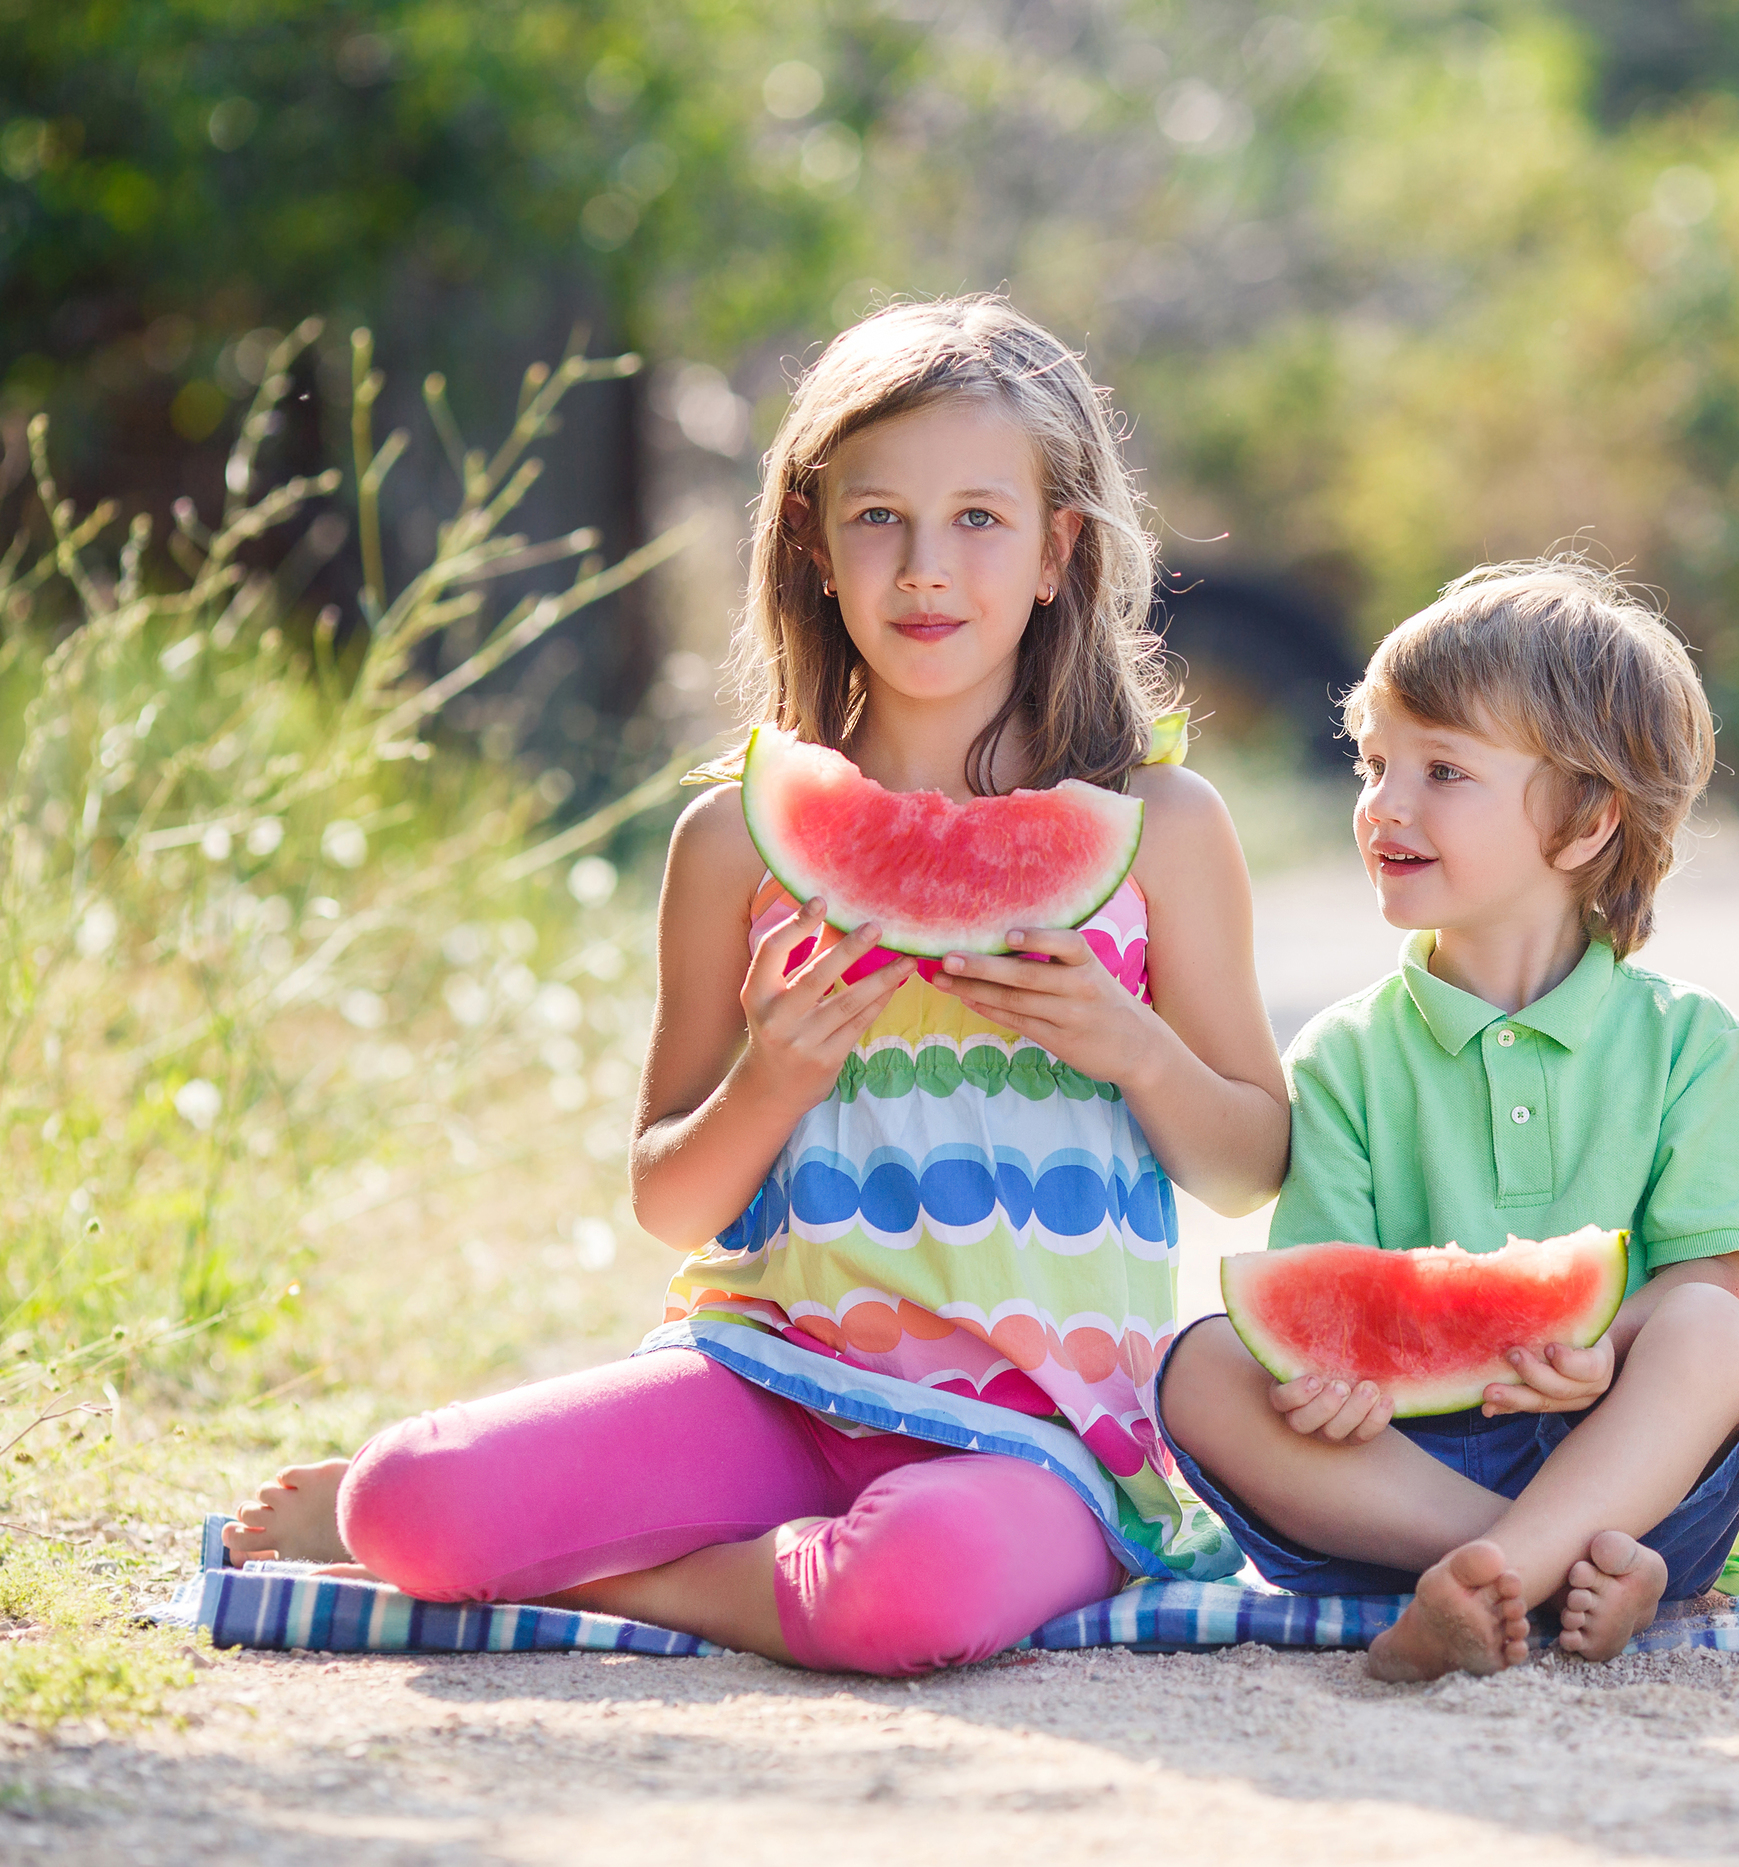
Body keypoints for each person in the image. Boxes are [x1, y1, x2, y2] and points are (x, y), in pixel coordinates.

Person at [221, 297, 1288, 1674]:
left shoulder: (1161, 826)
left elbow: (1252, 1158)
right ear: (810, 540)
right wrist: (771, 1076)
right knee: (402, 1501)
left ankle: (634, 1584)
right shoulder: (732, 837)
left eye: (978, 517)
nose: (923, 567)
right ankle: (706, 1553)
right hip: (761, 1378)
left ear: (1056, 551)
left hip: (1044, 1429)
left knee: (910, 1590)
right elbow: (669, 1192)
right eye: (877, 518)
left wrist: (1134, 1047)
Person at [1159, 559, 1739, 1682]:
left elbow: (1707, 1286)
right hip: (1400, 1474)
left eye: (1442, 770)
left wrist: (1604, 1350)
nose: (1385, 804)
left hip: (1623, 1455)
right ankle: (1530, 1566)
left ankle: (1498, 1569)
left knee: (1716, 1339)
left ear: (1587, 820)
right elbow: (1322, 1298)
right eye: (1375, 762)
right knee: (1200, 1366)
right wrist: (1334, 1394)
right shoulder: (1345, 1056)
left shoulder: (1690, 1041)